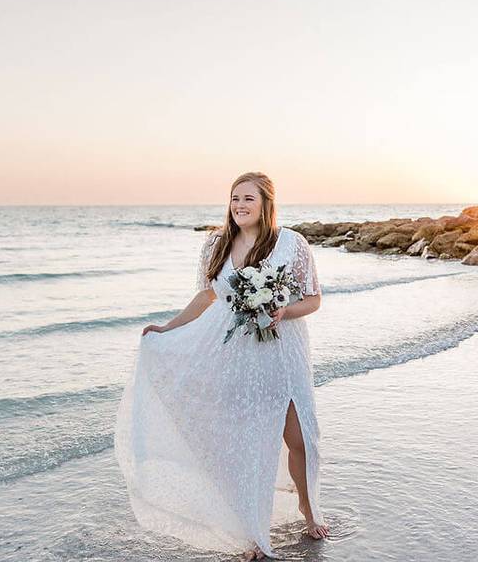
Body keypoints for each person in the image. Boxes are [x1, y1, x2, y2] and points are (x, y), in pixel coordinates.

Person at [114, 171, 330, 560]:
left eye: (248, 199)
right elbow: (207, 296)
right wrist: (168, 328)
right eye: (234, 199)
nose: (240, 206)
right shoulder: (216, 245)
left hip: (285, 355)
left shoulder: (291, 243)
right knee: (250, 445)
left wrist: (283, 310)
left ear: (266, 203)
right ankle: (252, 533)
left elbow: (313, 299)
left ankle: (308, 507)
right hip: (241, 360)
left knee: (299, 439)